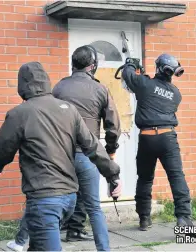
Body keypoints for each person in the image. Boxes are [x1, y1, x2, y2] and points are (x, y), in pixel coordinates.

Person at [0, 61, 122, 251]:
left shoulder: (20, 113)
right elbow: (93, 146)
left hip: (45, 200)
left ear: (22, 86)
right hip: (69, 199)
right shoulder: (69, 110)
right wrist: (113, 176)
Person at [52, 45, 121, 251]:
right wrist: (109, 152)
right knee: (94, 207)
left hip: (60, 156)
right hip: (88, 155)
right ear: (93, 66)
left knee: (56, 204)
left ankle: (60, 239)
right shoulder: (100, 89)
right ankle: (104, 249)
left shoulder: (59, 88)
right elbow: (113, 126)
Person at [121, 54, 194, 231]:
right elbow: (158, 93)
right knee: (177, 177)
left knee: (145, 179)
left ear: (158, 68)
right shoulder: (176, 94)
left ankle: (144, 219)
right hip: (168, 137)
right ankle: (184, 218)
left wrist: (131, 63)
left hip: (147, 138)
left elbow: (127, 75)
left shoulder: (144, 84)